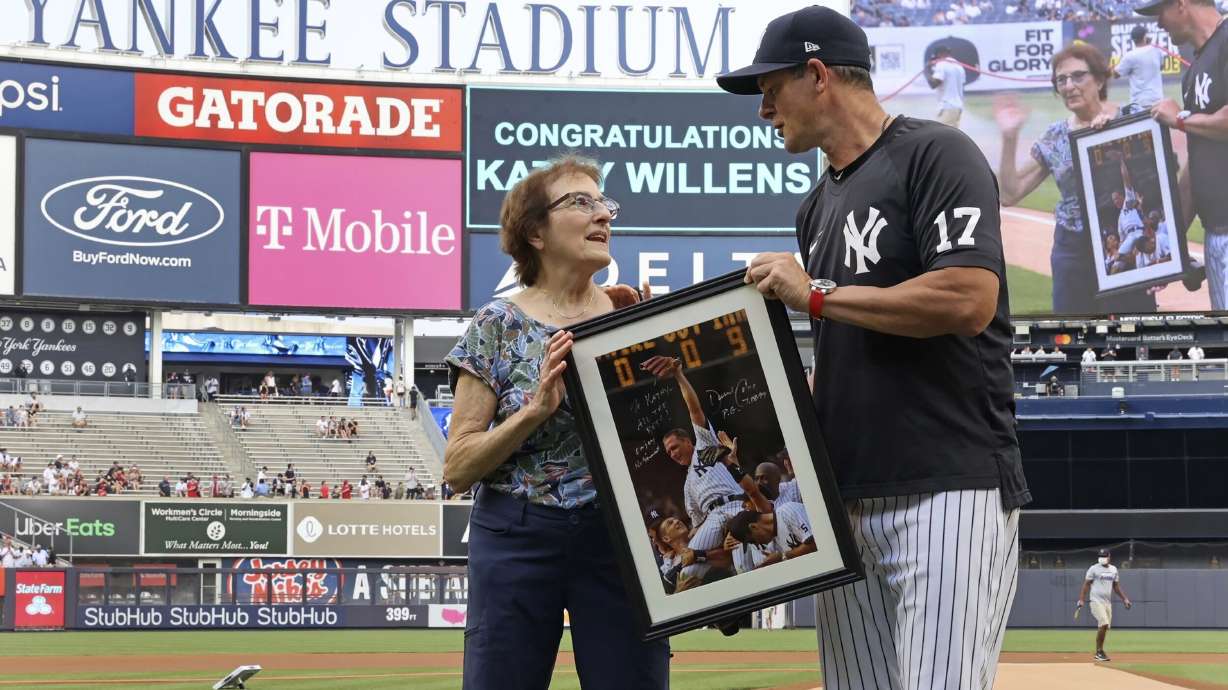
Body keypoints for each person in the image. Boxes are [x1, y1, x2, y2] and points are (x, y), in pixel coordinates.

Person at [718, 7, 1030, 688]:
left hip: (948, 485)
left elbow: (967, 298)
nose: (764, 109)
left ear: (819, 75)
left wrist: (818, 296)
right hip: (848, 498)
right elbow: (846, 351)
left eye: (770, 89)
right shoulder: (816, 208)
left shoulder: (934, 153)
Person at [443, 155, 669, 690]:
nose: (603, 216)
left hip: (618, 538)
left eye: (604, 203)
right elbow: (456, 468)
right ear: (535, 233)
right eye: (580, 202)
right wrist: (533, 412)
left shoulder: (631, 317)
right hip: (516, 535)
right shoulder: (496, 323)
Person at [995, 42, 1160, 314]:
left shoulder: (1131, 120)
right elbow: (1010, 194)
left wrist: (1160, 264)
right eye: (1061, 79)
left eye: (1078, 76)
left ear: (1099, 79)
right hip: (1073, 250)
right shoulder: (1056, 136)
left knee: (1132, 333)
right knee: (1073, 336)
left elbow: (1157, 185)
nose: (1069, 85)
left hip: (1122, 242)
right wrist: (1009, 136)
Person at [1139, 0, 1228, 310]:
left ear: (1181, 4)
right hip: (1216, 233)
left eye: (1158, 12)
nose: (1158, 23)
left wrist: (1180, 119)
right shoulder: (1195, 70)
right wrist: (1170, 252)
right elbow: (1197, 161)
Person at [1076, 548, 1132, 661]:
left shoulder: (1114, 569)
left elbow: (1116, 586)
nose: (1102, 558)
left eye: (1105, 556)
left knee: (1105, 627)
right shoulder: (1093, 568)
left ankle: (1100, 651)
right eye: (1101, 556)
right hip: (1096, 601)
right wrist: (1081, 599)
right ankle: (1099, 652)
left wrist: (1125, 599)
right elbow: (1086, 584)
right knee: (1104, 623)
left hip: (1107, 603)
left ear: (1109, 557)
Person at [1114, 25, 1165, 114]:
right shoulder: (1157, 50)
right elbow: (1162, 67)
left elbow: (1116, 75)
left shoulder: (1130, 56)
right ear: (1145, 37)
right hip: (1157, 99)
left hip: (1140, 103)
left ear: (1133, 40)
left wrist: (1114, 68)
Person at [926, 45, 965, 127]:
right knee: (952, 136)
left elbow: (933, 84)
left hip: (947, 106)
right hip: (957, 107)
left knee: (941, 135)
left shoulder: (941, 64)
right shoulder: (959, 66)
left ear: (939, 54)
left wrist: (927, 70)